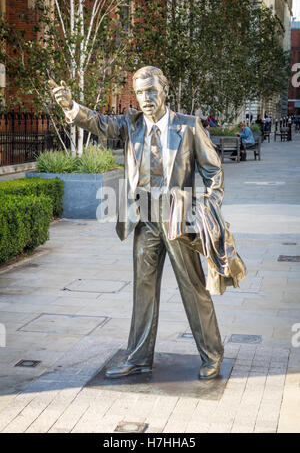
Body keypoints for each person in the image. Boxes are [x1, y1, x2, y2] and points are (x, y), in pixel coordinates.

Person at [49, 66, 245, 381]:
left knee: (192, 288)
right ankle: (138, 358)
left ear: (165, 90)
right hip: (145, 217)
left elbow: (214, 171)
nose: (146, 99)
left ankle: (213, 354)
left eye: (151, 91)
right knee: (143, 290)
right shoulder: (131, 123)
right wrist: (70, 106)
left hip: (178, 218)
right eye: (140, 92)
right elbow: (100, 123)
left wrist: (209, 205)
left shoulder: (189, 127)